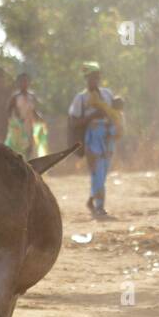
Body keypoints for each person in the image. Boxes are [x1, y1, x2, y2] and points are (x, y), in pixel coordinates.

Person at [67, 61, 118, 218]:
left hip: (108, 136)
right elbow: (74, 122)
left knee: (103, 172)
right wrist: (91, 116)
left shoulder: (108, 94)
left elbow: (116, 113)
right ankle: (99, 207)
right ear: (86, 78)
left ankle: (91, 199)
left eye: (96, 77)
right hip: (92, 137)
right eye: (91, 77)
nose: (94, 80)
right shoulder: (80, 98)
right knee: (97, 172)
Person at [4, 71, 48, 158]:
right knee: (19, 148)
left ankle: (27, 165)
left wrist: (40, 119)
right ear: (18, 83)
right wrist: (13, 122)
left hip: (30, 125)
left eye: (25, 81)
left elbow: (34, 110)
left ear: (28, 83)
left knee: (30, 146)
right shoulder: (15, 97)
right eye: (22, 81)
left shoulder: (32, 96)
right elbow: (9, 110)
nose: (24, 83)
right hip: (19, 127)